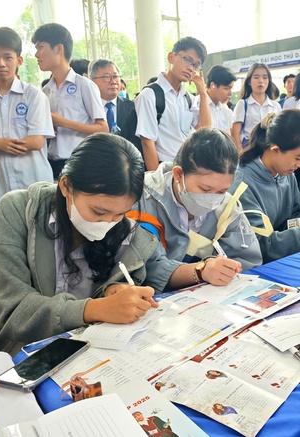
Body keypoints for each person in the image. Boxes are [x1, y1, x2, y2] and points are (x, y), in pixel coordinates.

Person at [0, 133, 209, 357]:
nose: (107, 223)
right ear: (66, 186)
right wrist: (95, 308)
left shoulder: (126, 230)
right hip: (26, 355)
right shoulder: (18, 211)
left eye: (120, 213)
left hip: (96, 352)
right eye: (99, 212)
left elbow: (155, 266)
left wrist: (114, 289)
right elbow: (12, 311)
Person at [128, 128, 261, 284]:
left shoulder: (227, 207)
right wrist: (201, 271)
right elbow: (147, 268)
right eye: (205, 189)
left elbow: (247, 259)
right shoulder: (142, 199)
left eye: (222, 191)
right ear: (178, 174)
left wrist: (227, 269)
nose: (212, 198)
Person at [0, 27, 54, 211]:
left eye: (8, 57)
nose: (1, 63)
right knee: (8, 239)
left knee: (40, 238)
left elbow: (36, 141)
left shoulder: (33, 95)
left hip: (36, 185)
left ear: (19, 60)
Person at [32, 23, 108, 178]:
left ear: (59, 49)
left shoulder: (84, 85)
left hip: (81, 163)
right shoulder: (45, 92)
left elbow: (102, 128)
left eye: (40, 47)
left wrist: (63, 122)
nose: (36, 54)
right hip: (52, 164)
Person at [229, 110, 300, 264]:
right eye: (297, 158)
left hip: (284, 259)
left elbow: (296, 212)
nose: (299, 165)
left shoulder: (286, 174)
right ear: (275, 150)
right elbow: (261, 245)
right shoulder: (242, 184)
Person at [135, 36, 211, 171]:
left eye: (196, 65)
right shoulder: (150, 95)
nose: (190, 68)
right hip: (164, 168)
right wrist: (156, 181)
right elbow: (147, 142)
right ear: (171, 57)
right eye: (187, 59)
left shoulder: (187, 98)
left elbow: (203, 130)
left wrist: (203, 94)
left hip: (187, 167)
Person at [231, 63, 281, 152]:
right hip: (249, 151)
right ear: (249, 81)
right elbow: (235, 134)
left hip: (270, 152)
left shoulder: (276, 106)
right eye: (256, 77)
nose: (261, 81)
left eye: (265, 77)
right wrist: (241, 154)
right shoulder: (242, 104)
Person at [194, 65, 237, 134]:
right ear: (213, 85)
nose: (230, 93)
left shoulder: (226, 111)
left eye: (231, 88)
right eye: (226, 88)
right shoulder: (195, 104)